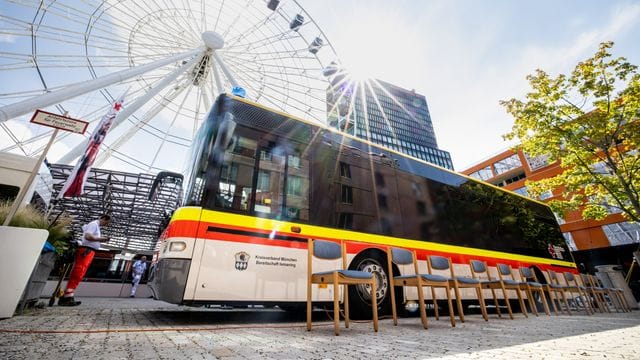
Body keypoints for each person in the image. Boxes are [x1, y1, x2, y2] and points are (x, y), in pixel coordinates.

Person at [58, 214, 111, 306]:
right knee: (79, 271)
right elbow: (87, 236)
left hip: (89, 251)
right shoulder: (94, 224)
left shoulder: (96, 226)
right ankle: (67, 296)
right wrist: (101, 239)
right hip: (86, 250)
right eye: (107, 222)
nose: (107, 225)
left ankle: (68, 295)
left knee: (80, 272)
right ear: (103, 218)